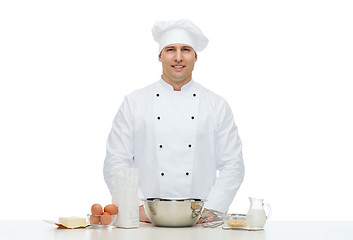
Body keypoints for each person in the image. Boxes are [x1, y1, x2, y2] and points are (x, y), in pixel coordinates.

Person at [103, 19, 244, 223]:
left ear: (195, 57)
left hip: (200, 222)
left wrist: (213, 208)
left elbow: (233, 163)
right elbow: (116, 160)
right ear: (159, 56)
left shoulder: (216, 105)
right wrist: (136, 207)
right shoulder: (134, 103)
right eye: (170, 50)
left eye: (185, 49)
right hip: (146, 221)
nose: (178, 57)